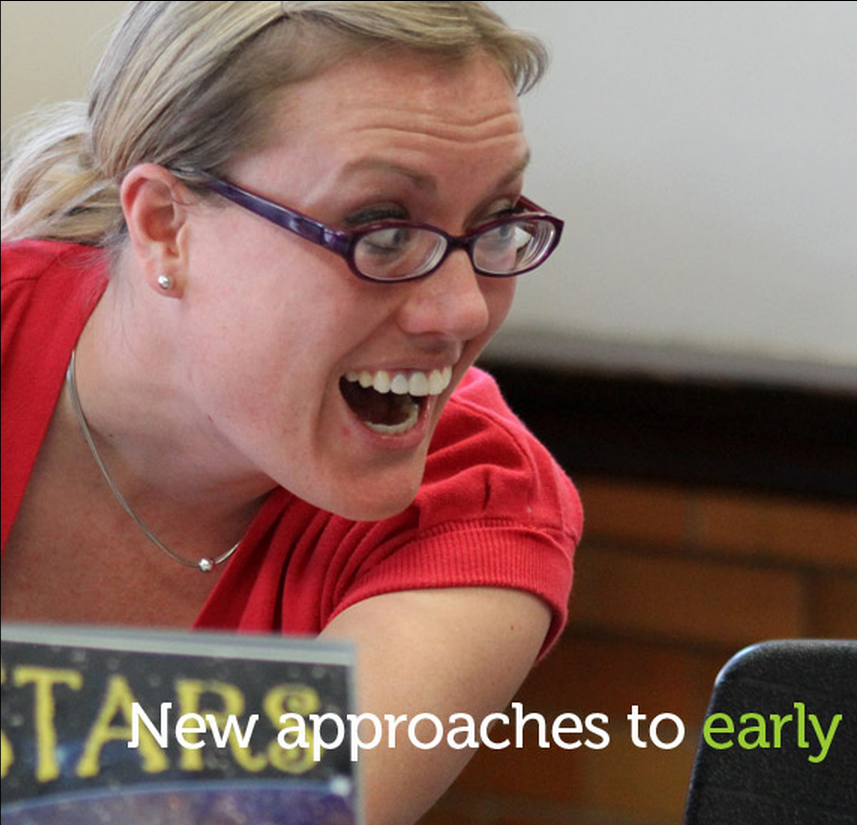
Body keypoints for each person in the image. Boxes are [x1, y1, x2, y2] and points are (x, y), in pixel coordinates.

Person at [0, 3, 580, 823]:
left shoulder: (475, 500)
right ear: (165, 226)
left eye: (496, 222)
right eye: (380, 229)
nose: (459, 313)